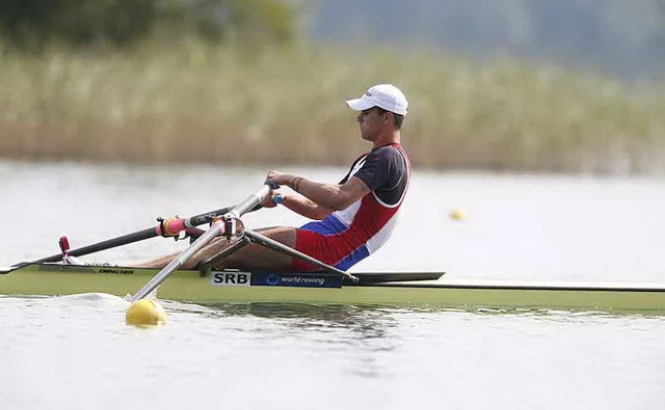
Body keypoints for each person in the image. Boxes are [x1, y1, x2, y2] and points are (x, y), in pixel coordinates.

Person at [138, 84, 411, 272]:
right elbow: (321, 211)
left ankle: (132, 274)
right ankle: (153, 270)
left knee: (227, 243)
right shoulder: (372, 159)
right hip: (321, 236)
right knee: (223, 239)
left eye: (365, 113)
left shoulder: (387, 159)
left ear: (386, 117)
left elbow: (338, 199)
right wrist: (281, 198)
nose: (359, 118)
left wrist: (286, 178)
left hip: (331, 249)